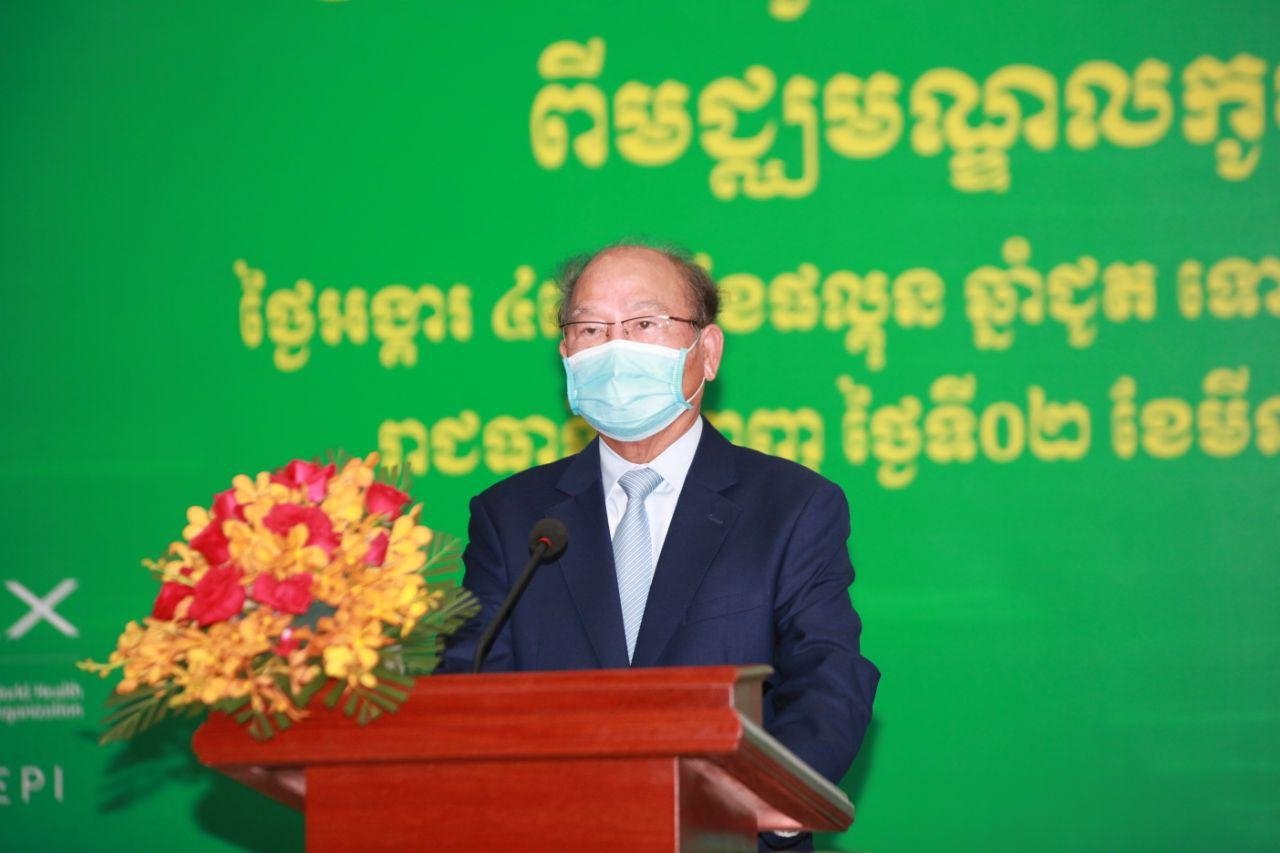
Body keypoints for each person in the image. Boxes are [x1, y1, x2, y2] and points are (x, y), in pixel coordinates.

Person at [441, 242, 879, 851]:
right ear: (567, 356)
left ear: (708, 351)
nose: (615, 348)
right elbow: (467, 684)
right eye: (591, 329)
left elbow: (827, 669)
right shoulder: (512, 517)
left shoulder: (791, 506)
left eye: (644, 324)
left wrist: (778, 793)